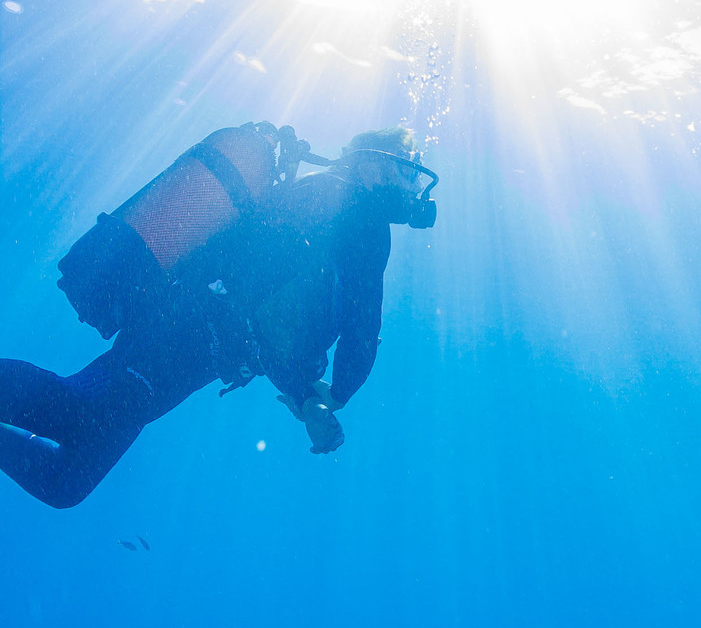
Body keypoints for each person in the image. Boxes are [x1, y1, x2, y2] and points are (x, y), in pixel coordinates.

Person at [0, 126, 437, 509]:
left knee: (67, 480)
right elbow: (355, 327)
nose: (415, 184)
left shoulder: (327, 202)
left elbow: (274, 315)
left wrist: (307, 395)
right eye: (409, 170)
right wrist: (335, 392)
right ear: (374, 164)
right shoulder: (361, 218)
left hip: (187, 336)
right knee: (73, 419)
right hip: (187, 333)